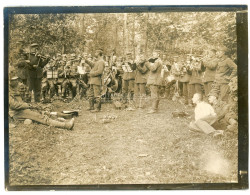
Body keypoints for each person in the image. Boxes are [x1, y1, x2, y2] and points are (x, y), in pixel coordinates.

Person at [9, 76, 74, 130]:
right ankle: (66, 125)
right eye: (14, 80)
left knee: (42, 112)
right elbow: (14, 105)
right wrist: (27, 105)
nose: (17, 82)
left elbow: (21, 101)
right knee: (40, 117)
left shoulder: (13, 90)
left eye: (16, 80)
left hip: (21, 110)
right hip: (17, 113)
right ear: (10, 82)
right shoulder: (7, 92)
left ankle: (62, 120)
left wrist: (29, 105)